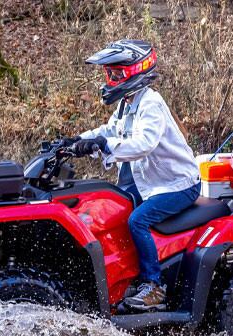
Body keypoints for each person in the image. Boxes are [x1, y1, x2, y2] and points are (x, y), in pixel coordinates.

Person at [66, 39, 200, 311]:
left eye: (116, 73)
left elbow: (143, 144)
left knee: (138, 220)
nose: (111, 79)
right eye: (109, 74)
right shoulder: (128, 103)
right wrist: (76, 141)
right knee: (109, 210)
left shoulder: (151, 103)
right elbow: (110, 129)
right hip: (150, 182)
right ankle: (124, 275)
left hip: (177, 184)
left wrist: (104, 146)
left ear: (135, 71)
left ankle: (154, 287)